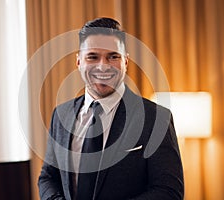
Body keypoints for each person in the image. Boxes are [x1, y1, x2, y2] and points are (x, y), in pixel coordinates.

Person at [38, 17, 184, 200]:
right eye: (92, 57)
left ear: (126, 62)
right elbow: (48, 176)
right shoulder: (61, 115)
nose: (103, 66)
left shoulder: (156, 118)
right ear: (78, 62)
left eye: (113, 56)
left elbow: (169, 191)